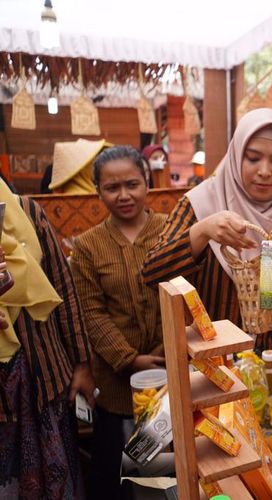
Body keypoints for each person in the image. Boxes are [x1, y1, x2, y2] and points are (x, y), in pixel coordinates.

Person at [143, 108, 272, 383]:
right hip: (217, 375)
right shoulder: (202, 203)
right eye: (253, 158)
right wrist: (202, 231)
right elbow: (151, 272)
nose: (265, 171)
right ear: (235, 155)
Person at [70, 146, 166, 499]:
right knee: (119, 483)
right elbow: (91, 313)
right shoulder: (88, 246)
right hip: (116, 386)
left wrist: (164, 352)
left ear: (147, 183)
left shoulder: (170, 232)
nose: (124, 195)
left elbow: (188, 296)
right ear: (98, 191)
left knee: (163, 474)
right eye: (112, 188)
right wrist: (130, 360)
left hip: (169, 375)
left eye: (132, 184)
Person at [0, 178, 95, 499]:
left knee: (59, 475)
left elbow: (64, 289)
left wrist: (82, 364)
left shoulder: (27, 212)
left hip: (46, 378)